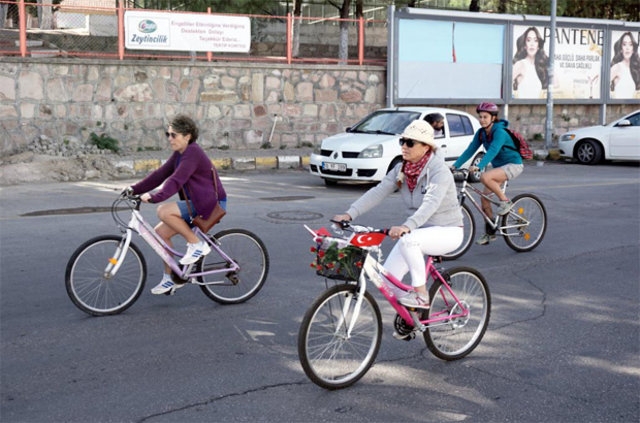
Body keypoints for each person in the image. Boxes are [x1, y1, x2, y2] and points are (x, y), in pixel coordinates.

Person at [333, 120, 463, 313]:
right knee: (388, 281)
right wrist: (350, 213)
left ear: (426, 146)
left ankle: (421, 295)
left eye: (410, 142)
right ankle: (413, 316)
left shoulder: (439, 171)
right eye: (402, 141)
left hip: (448, 231)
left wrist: (407, 226)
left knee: (409, 241)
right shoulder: (402, 169)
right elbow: (378, 191)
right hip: (417, 231)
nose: (404, 146)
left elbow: (431, 203)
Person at [126, 114, 227, 295]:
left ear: (187, 136)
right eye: (168, 134)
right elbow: (160, 174)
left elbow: (176, 180)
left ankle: (197, 244)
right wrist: (133, 189)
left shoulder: (193, 153)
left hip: (210, 203)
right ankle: (170, 278)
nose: (170, 138)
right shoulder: (180, 154)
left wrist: (156, 197)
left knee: (164, 211)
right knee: (160, 234)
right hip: (196, 202)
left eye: (174, 135)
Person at [451, 102, 523, 245]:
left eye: (485, 117)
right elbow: (470, 150)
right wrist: (455, 165)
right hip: (499, 167)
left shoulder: (500, 132)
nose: (482, 119)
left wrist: (480, 166)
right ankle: (490, 233)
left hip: (513, 165)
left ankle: (505, 201)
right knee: (484, 199)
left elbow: (493, 150)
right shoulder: (481, 133)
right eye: (480, 117)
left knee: (485, 177)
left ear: (493, 118)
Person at [512, 26, 549, 99]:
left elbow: (556, 83)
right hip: (521, 108)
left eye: (535, 40)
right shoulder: (520, 64)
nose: (532, 44)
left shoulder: (539, 66)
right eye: (528, 40)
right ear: (525, 45)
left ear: (538, 46)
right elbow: (505, 84)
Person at [610, 32, 640, 99]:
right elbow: (601, 87)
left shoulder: (634, 69)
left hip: (631, 109)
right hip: (617, 108)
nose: (627, 48)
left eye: (630, 44)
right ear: (621, 48)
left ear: (633, 49)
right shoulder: (617, 67)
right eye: (624, 44)